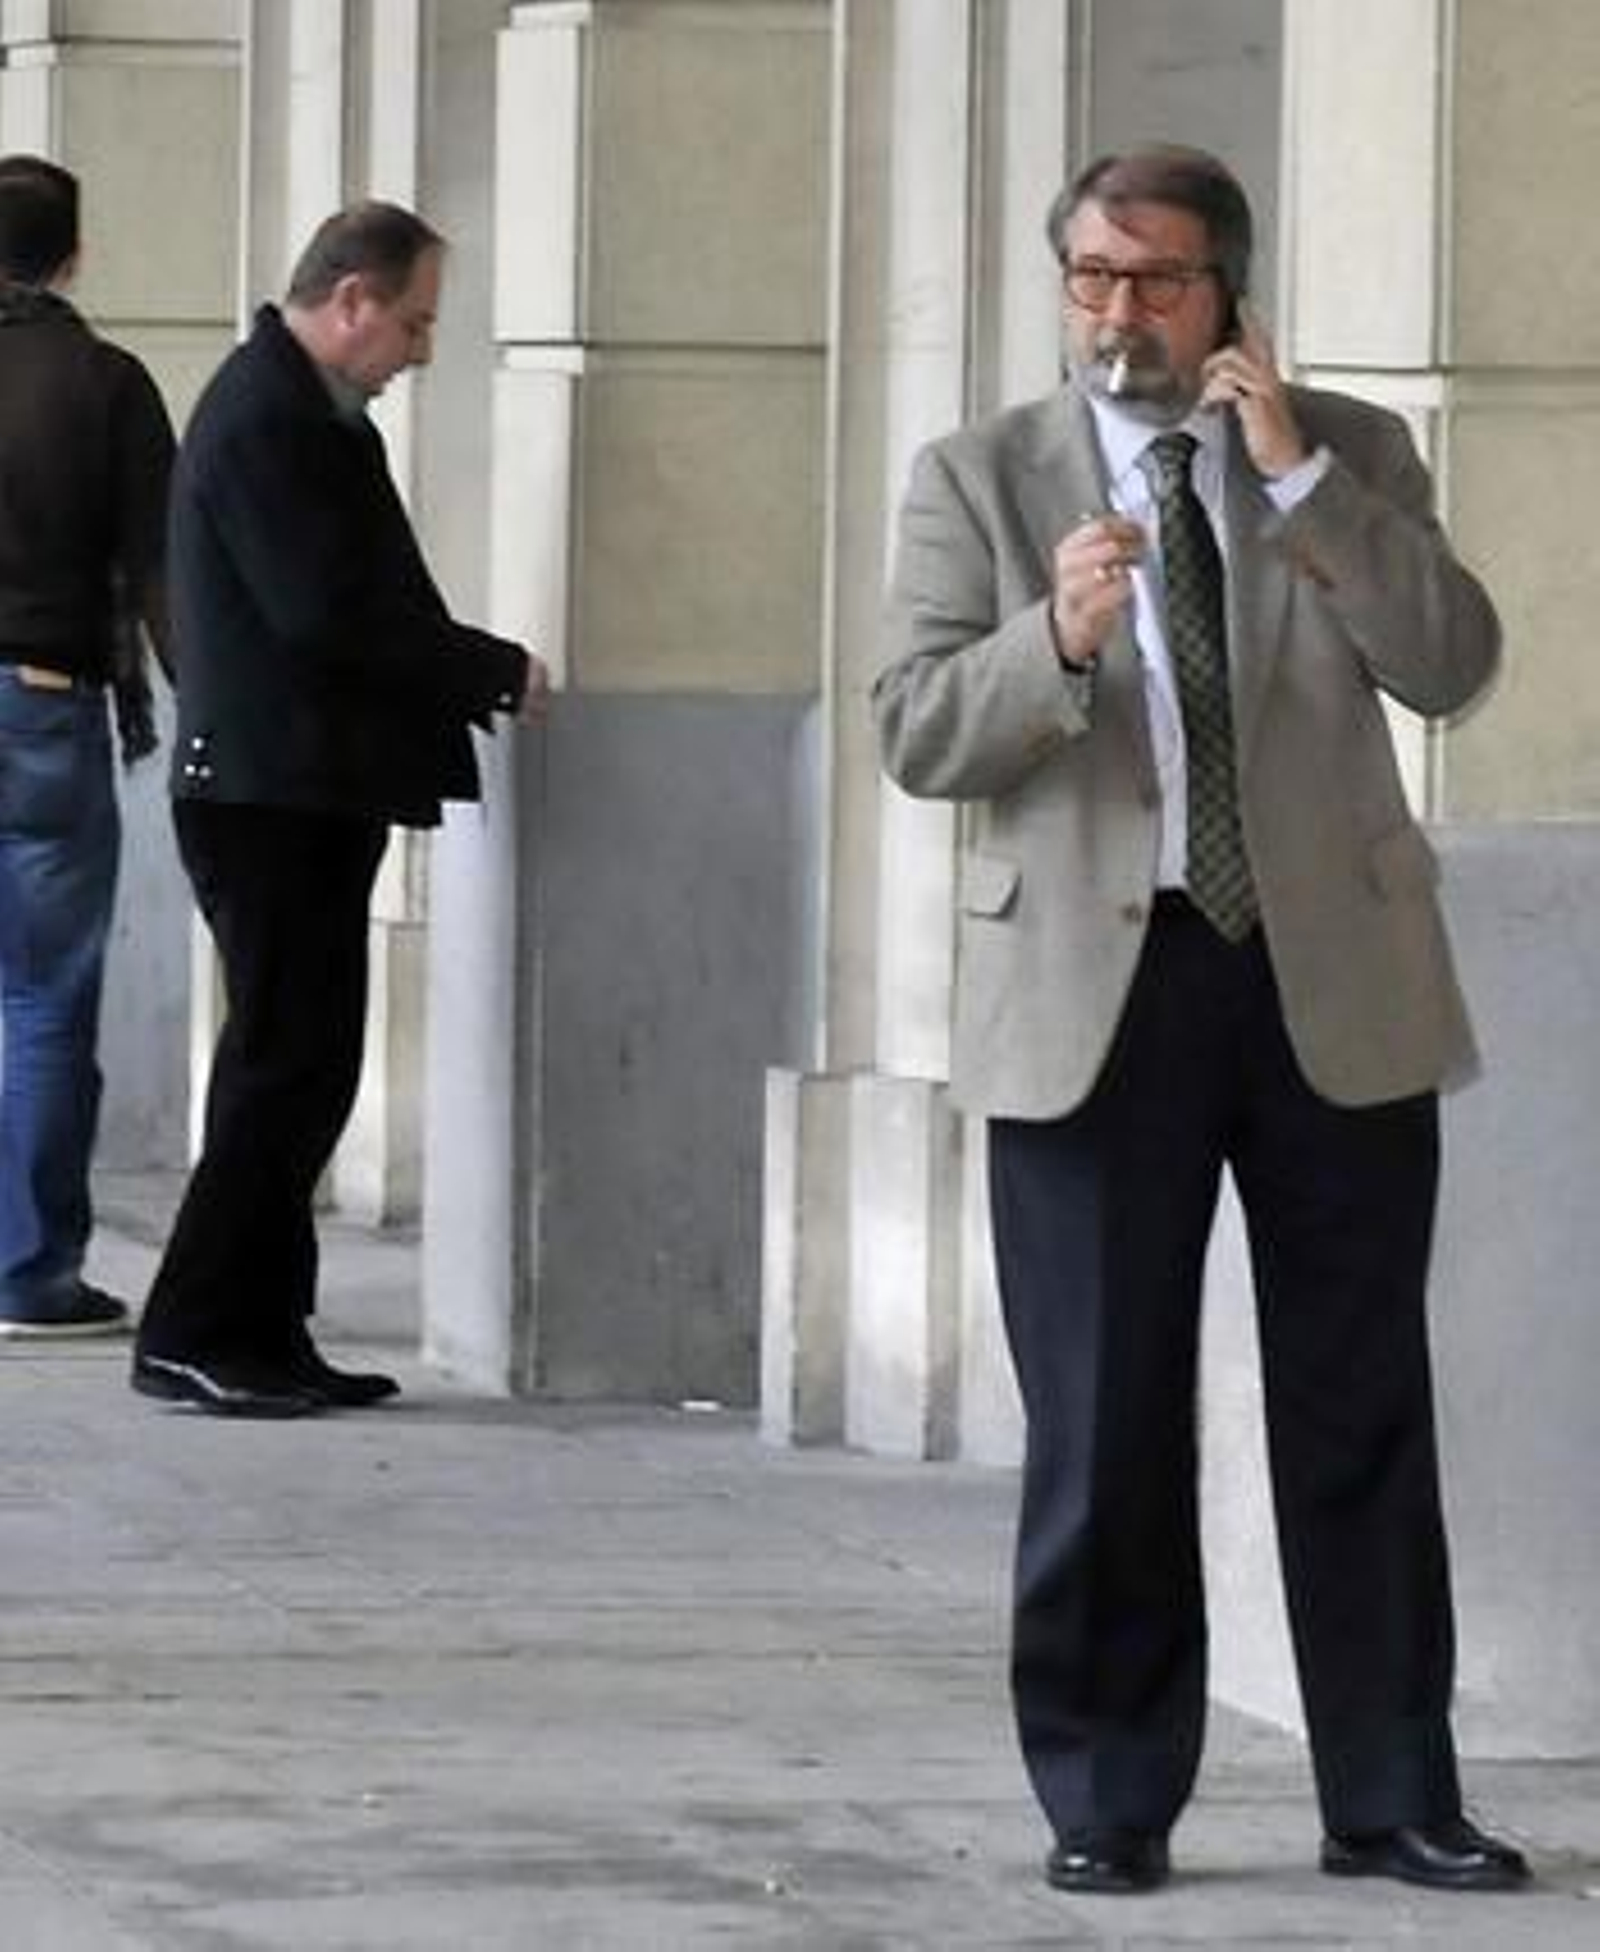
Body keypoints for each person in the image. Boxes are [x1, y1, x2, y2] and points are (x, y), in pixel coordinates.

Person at [874, 145, 1529, 1895]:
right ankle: (1108, 1797)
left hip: (1328, 981)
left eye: (1157, 279)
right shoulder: (980, 476)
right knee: (1104, 1419)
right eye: (1092, 276)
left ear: (1229, 291)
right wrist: (1056, 640)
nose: (1119, 312)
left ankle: (1391, 1792)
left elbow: (1453, 660)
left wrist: (1300, 478)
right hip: (1098, 996)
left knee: (1359, 1401)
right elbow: (917, 728)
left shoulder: (1350, 452)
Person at [131, 200, 547, 1419]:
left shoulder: (305, 409)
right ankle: (195, 1330)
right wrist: (489, 668)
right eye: (413, 321)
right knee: (284, 1067)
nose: (421, 348)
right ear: (351, 299)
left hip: (298, 787)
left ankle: (266, 1328)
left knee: (304, 1067)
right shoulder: (270, 416)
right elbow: (325, 610)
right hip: (268, 791)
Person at [0, 155, 174, 1339]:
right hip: (46, 704)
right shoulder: (106, 382)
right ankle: (30, 1274)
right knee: (45, 999)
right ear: (73, 257)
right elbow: (162, 568)